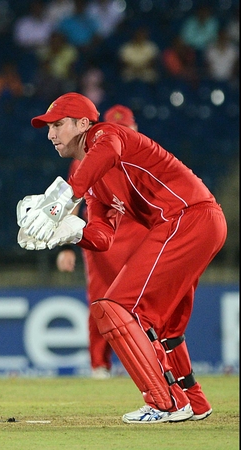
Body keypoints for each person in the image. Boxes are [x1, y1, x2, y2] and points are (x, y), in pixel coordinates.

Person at [17, 92, 226, 424]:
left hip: (187, 217)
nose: (51, 134)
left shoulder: (106, 135)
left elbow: (107, 152)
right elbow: (102, 237)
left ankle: (166, 402)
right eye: (49, 128)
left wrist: (62, 201)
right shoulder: (94, 182)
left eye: (58, 125)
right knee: (165, 324)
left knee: (116, 307)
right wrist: (71, 233)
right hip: (195, 222)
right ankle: (194, 400)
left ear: (83, 124)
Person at [55, 105, 147, 379]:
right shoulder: (85, 159)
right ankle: (100, 366)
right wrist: (66, 245)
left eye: (127, 129)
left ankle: (152, 362)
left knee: (145, 304)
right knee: (100, 302)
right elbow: (73, 201)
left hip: (139, 237)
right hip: (101, 240)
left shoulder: (144, 156)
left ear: (135, 131)